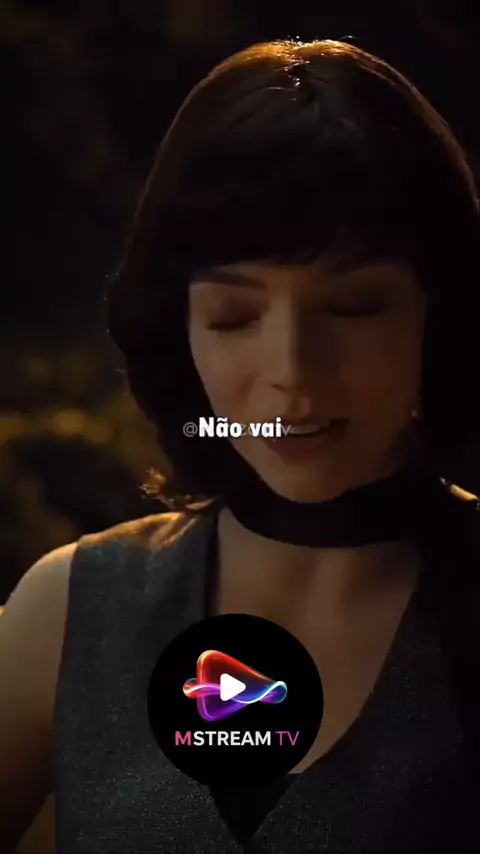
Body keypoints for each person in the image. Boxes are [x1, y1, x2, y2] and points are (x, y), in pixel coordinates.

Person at [2, 38, 480, 853]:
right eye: (234, 317)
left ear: (440, 320)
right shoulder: (73, 607)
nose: (292, 374)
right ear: (179, 328)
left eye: (354, 308)